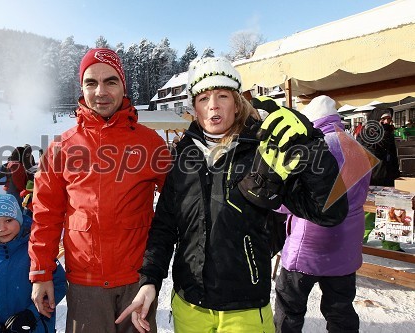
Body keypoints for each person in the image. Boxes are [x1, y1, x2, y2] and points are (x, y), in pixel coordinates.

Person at [116, 58, 348, 333]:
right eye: (203, 98)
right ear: (195, 108)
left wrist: (311, 150)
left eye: (222, 95)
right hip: (190, 307)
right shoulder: (183, 158)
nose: (213, 104)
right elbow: (165, 227)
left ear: (236, 103)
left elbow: (330, 211)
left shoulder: (265, 153)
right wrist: (149, 280)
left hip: (246, 310)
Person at [28, 48, 171, 333]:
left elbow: (180, 205)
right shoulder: (62, 147)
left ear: (123, 86)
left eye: (111, 81)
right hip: (86, 283)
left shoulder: (150, 143)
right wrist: (41, 272)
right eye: (91, 82)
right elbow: (45, 215)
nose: (100, 91)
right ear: (81, 88)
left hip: (137, 281)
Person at [273, 95, 371, 333]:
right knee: (341, 310)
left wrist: (274, 202)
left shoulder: (313, 148)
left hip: (309, 244)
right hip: (346, 246)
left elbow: (293, 200)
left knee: (289, 308)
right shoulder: (357, 147)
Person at [0, 194, 67, 333]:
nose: (2, 228)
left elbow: (58, 284)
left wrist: (31, 315)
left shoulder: (37, 253)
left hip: (34, 328)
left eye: (8, 220)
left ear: (19, 220)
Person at [358, 108, 403, 251]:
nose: (386, 122)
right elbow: (372, 152)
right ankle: (360, 239)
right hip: (372, 181)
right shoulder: (366, 134)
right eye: (383, 119)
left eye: (388, 119)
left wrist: (396, 175)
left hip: (388, 180)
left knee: (391, 213)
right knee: (368, 214)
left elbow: (392, 158)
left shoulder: (389, 134)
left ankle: (391, 244)